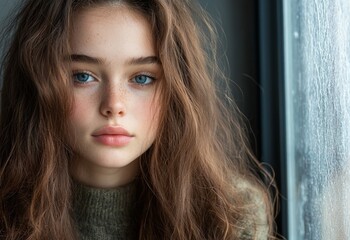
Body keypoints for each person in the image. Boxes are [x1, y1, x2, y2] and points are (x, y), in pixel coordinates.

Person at [0, 0, 277, 239]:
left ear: (177, 91)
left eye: (142, 78)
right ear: (38, 84)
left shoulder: (230, 215)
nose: (114, 105)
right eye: (82, 76)